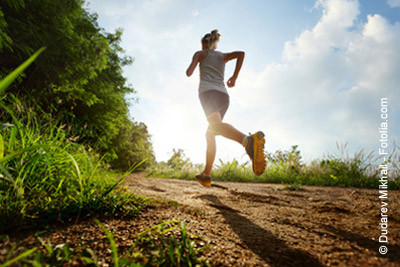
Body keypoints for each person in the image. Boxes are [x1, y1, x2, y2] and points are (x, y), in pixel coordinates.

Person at [186, 29, 266, 187]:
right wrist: (234, 77)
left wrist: (197, 60)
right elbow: (241, 54)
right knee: (211, 132)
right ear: (215, 45)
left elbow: (189, 72)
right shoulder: (222, 56)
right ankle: (206, 174)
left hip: (208, 93)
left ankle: (248, 141)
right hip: (223, 96)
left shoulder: (200, 54)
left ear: (205, 45)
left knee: (215, 127)